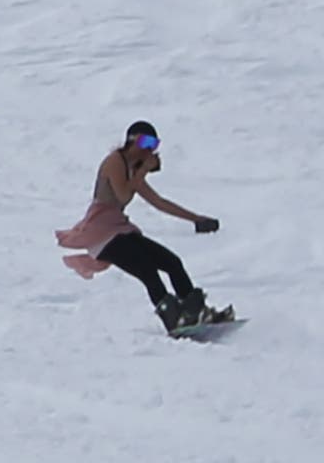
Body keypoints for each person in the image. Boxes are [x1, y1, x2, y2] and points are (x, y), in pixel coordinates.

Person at [56, 119, 232, 333]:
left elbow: (159, 202)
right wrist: (143, 171)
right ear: (132, 141)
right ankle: (174, 319)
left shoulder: (132, 171)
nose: (150, 149)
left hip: (119, 231)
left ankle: (197, 311)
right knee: (148, 271)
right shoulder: (115, 162)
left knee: (172, 262)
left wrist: (196, 219)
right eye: (146, 142)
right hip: (101, 236)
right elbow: (123, 193)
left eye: (154, 144)